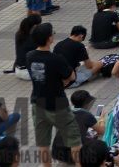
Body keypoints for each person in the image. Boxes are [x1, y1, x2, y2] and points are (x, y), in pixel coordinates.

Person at [25, 23, 81, 167]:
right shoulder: (56, 59)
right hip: (58, 104)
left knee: (43, 143)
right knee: (74, 139)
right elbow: (72, 76)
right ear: (49, 38)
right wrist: (62, 82)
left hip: (37, 103)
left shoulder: (29, 56)